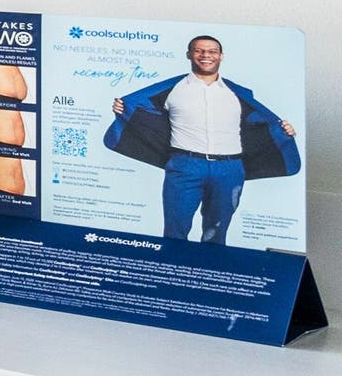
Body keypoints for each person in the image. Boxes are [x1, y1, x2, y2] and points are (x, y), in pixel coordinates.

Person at [106, 35, 305, 244]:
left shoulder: (238, 93)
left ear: (221, 56)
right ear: (189, 55)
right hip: (185, 166)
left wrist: (284, 130)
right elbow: (141, 110)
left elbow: (262, 124)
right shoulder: (172, 89)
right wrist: (124, 108)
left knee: (217, 233)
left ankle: (209, 273)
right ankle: (173, 274)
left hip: (229, 169)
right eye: (199, 50)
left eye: (212, 51)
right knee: (175, 231)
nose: (206, 55)